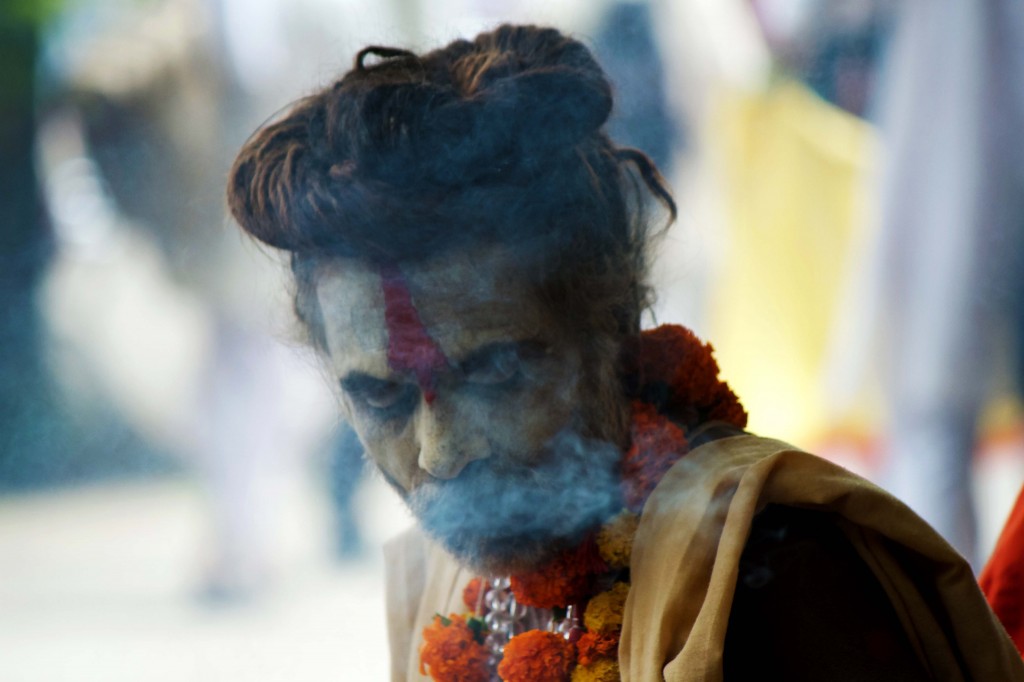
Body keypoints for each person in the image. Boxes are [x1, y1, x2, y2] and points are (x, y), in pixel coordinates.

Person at [225, 24, 1022, 682]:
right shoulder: (442, 580)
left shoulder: (766, 573)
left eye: (499, 370)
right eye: (381, 397)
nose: (444, 454)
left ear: (609, 320)